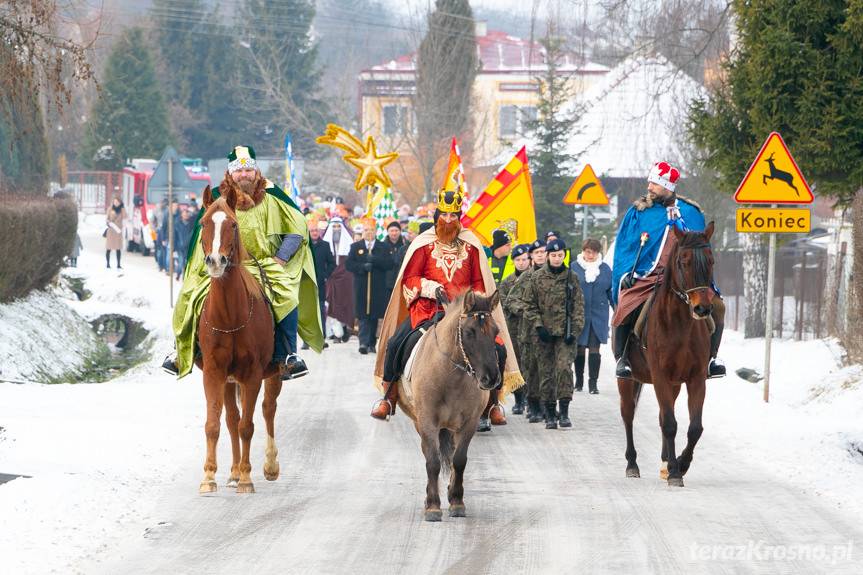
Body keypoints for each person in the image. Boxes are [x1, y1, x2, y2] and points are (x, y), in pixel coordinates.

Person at [164, 145, 324, 380]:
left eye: (248, 170)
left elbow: (297, 229)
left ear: (256, 171)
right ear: (231, 173)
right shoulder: (217, 197)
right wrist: (205, 262)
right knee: (189, 294)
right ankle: (182, 351)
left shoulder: (273, 196)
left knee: (287, 295)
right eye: (239, 171)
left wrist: (281, 257)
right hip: (221, 264)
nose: (244, 175)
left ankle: (287, 356)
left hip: (263, 265)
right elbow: (203, 234)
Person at [370, 188, 523, 428]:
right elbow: (410, 279)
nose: (449, 220)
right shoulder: (423, 245)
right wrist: (430, 288)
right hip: (429, 309)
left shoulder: (471, 246)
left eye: (453, 216)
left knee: (498, 348)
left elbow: (480, 281)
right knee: (396, 343)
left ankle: (493, 403)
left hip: (465, 311)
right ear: (437, 216)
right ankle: (388, 397)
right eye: (444, 215)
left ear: (459, 217)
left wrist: (474, 299)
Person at [611, 161, 725, 379]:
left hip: (686, 277)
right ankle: (623, 358)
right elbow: (625, 246)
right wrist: (626, 274)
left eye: (655, 183)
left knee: (718, 307)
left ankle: (712, 359)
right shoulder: (639, 212)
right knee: (626, 304)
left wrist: (704, 278)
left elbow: (702, 249)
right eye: (650, 182)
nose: (650, 187)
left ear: (668, 186)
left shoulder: (691, 213)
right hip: (647, 274)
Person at [522, 238, 585, 429]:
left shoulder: (571, 277)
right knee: (546, 373)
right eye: (554, 255)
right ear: (548, 256)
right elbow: (529, 305)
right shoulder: (537, 277)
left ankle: (564, 411)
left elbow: (579, 306)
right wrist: (539, 326)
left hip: (565, 335)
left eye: (560, 255)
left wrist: (574, 331)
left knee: (564, 369)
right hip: (543, 336)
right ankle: (549, 413)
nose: (557, 259)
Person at [509, 239, 548, 422]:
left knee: (549, 370)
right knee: (531, 370)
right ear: (532, 256)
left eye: (543, 252)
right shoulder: (526, 277)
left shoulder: (557, 276)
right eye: (537, 252)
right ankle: (532, 405)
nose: (541, 255)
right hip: (528, 332)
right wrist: (527, 310)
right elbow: (510, 300)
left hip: (550, 332)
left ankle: (548, 406)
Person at [571, 238, 613, 394]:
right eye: (588, 251)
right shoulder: (574, 268)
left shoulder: (605, 269)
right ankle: (579, 380)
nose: (591, 255)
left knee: (595, 349)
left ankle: (593, 383)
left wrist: (617, 308)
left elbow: (611, 291)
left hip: (598, 315)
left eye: (594, 252)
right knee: (579, 348)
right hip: (579, 314)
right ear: (583, 251)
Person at [345, 221, 393, 354]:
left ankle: (372, 343)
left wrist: (375, 260)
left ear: (376, 231)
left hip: (377, 288)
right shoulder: (356, 246)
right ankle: (363, 343)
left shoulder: (383, 247)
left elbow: (389, 263)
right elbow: (349, 264)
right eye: (366, 230)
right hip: (361, 286)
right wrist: (362, 267)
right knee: (363, 315)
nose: (369, 233)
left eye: (371, 230)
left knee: (374, 315)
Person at [498, 243, 531, 414]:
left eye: (524, 259)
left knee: (530, 364)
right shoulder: (506, 283)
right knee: (515, 363)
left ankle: (531, 399)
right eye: (518, 260)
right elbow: (504, 304)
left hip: (531, 329)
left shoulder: (534, 278)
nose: (521, 263)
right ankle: (519, 400)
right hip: (513, 329)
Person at [303, 220, 335, 350]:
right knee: (307, 312)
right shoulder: (304, 245)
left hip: (320, 284)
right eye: (312, 231)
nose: (314, 233)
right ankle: (307, 340)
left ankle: (321, 339)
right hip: (306, 283)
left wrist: (325, 275)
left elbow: (332, 263)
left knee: (320, 311)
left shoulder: (325, 245)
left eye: (316, 230)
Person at [323, 216, 355, 343]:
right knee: (331, 304)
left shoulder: (349, 244)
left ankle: (344, 329)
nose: (336, 229)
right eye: (334, 227)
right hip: (330, 280)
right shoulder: (325, 245)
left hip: (345, 281)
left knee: (345, 304)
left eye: (338, 227)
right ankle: (335, 333)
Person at [382, 220, 406, 297]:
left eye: (396, 230)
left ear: (400, 231)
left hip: (401, 280)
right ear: (388, 232)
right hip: (386, 282)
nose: (394, 233)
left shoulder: (405, 245)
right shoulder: (382, 246)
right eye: (392, 231)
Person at [173, 207, 196, 281]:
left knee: (186, 262)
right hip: (180, 247)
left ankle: (184, 277)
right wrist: (174, 247)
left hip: (188, 247)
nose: (186, 215)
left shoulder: (191, 223)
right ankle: (178, 274)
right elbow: (175, 236)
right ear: (181, 215)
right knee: (181, 262)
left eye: (187, 214)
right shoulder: (177, 224)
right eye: (184, 214)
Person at [105, 195, 125, 269]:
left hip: (118, 231)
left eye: (117, 202)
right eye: (115, 202)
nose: (116, 203)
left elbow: (126, 217)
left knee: (118, 248)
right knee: (109, 248)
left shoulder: (122, 210)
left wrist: (123, 208)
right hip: (111, 230)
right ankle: (108, 264)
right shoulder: (110, 209)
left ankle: (118, 264)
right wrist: (109, 223)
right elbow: (107, 219)